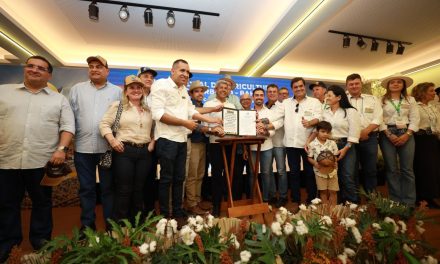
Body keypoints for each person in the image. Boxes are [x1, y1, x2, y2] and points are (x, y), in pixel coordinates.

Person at [0, 56, 75, 262]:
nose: (35, 70)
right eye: (31, 66)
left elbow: (68, 127)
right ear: (25, 69)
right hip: (6, 159)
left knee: (42, 203)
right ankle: (8, 244)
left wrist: (61, 149)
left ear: (48, 75)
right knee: (7, 204)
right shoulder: (4, 92)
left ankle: (42, 241)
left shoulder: (58, 99)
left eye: (41, 68)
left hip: (42, 160)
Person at [150, 59, 221, 223]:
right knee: (167, 179)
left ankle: (177, 212)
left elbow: (191, 111)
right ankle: (166, 215)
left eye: (188, 72)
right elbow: (158, 114)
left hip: (182, 140)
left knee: (179, 178)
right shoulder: (161, 85)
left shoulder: (183, 90)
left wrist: (210, 121)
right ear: (172, 71)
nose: (185, 74)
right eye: (182, 70)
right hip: (167, 140)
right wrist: (184, 123)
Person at [69, 55, 122, 230]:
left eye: (99, 66)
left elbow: (121, 119)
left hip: (107, 149)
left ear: (107, 71)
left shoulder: (117, 92)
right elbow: (70, 117)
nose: (94, 69)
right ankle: (87, 227)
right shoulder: (77, 89)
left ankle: (110, 227)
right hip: (82, 149)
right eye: (91, 66)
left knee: (108, 189)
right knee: (86, 189)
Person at [100, 75, 154, 223]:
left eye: (139, 87)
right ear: (126, 91)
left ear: (143, 90)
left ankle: (137, 224)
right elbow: (104, 124)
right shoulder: (118, 106)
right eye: (132, 87)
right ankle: (120, 225)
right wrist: (112, 140)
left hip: (144, 153)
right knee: (124, 189)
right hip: (124, 151)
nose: (136, 90)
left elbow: (156, 128)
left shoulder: (148, 109)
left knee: (139, 189)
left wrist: (152, 143)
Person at [272, 77, 321, 205]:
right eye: (295, 87)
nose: (298, 89)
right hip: (290, 144)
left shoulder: (314, 102)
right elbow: (276, 116)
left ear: (304, 86)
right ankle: (296, 198)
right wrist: (263, 121)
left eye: (300, 86)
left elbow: (319, 117)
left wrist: (310, 122)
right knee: (294, 173)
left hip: (307, 144)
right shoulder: (286, 103)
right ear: (292, 89)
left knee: (309, 173)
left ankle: (311, 198)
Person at [379, 75, 419, 206]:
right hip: (387, 134)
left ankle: (409, 202)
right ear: (388, 85)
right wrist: (388, 134)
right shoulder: (381, 100)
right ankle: (395, 200)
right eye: (392, 82)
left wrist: (407, 134)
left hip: (406, 133)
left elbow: (415, 118)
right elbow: (378, 119)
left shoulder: (410, 99)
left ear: (403, 85)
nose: (395, 84)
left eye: (399, 82)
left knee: (407, 169)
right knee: (392, 169)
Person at [318, 85, 361, 203]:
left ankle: (353, 203)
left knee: (347, 175)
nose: (326, 97)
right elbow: (320, 129)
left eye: (329, 95)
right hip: (330, 147)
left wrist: (346, 148)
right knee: (333, 176)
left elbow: (354, 132)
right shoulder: (325, 112)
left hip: (346, 145)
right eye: (326, 95)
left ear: (339, 97)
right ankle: (340, 203)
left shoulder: (350, 111)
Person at [346, 73, 383, 193]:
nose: (354, 86)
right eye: (351, 84)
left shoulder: (373, 99)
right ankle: (355, 197)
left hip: (369, 138)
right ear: (347, 86)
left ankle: (372, 196)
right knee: (352, 169)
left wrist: (365, 131)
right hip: (349, 139)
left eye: (356, 83)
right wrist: (356, 134)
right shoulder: (342, 100)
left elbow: (378, 118)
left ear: (361, 84)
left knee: (370, 169)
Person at [204, 80, 234, 216]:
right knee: (216, 175)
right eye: (221, 87)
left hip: (230, 144)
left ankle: (229, 204)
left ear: (229, 91)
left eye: (226, 88)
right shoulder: (208, 105)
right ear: (215, 89)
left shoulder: (232, 105)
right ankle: (216, 206)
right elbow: (204, 127)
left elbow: (235, 125)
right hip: (215, 144)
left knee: (229, 174)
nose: (223, 90)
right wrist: (214, 130)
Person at [185, 80, 213, 215]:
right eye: (197, 91)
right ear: (191, 93)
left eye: (202, 91)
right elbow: (194, 126)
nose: (200, 93)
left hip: (203, 143)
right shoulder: (188, 105)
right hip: (193, 142)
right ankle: (191, 203)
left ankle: (197, 200)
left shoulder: (204, 106)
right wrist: (211, 129)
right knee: (192, 175)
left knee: (201, 174)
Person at [411, 82, 440, 208]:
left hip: (433, 139)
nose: (434, 93)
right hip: (421, 139)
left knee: (434, 168)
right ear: (422, 93)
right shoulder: (415, 107)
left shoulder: (432, 107)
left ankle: (431, 195)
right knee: (423, 168)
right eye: (431, 91)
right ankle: (422, 197)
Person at [137, 67, 159, 216]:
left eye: (151, 77)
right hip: (136, 143)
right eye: (145, 76)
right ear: (139, 78)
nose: (149, 79)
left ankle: (149, 212)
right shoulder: (133, 96)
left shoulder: (156, 97)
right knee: (137, 179)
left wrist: (153, 141)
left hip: (153, 142)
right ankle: (137, 211)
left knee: (151, 179)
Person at [265, 84, 288, 207]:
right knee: (268, 171)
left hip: (279, 143)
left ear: (278, 93)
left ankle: (283, 196)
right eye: (270, 91)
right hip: (267, 143)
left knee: (281, 171)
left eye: (274, 91)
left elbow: (280, 122)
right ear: (267, 93)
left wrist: (266, 124)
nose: (272, 93)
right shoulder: (263, 106)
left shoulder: (283, 106)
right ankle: (272, 195)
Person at [307, 121, 339, 206]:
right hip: (319, 172)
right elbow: (309, 158)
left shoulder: (332, 143)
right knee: (323, 191)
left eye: (327, 132)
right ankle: (326, 212)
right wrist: (315, 163)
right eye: (323, 131)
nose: (325, 134)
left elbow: (335, 156)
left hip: (333, 172)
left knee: (333, 191)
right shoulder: (312, 144)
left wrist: (335, 162)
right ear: (317, 131)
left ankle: (334, 211)